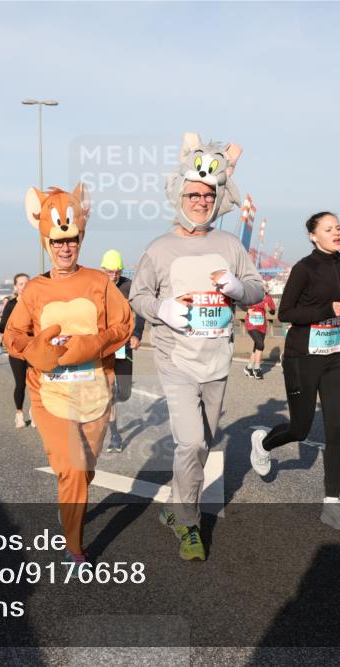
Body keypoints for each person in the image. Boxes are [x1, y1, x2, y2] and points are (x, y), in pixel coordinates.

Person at [130, 133, 264, 560]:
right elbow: (138, 296)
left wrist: (238, 287)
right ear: (179, 195)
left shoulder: (229, 245)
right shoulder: (160, 248)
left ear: (217, 197)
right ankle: (189, 523)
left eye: (208, 194)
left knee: (203, 443)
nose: (201, 201)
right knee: (190, 443)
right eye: (193, 193)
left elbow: (258, 290)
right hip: (176, 360)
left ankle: (175, 508)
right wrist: (164, 309)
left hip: (217, 360)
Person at [3, 183, 133, 569]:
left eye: (72, 240)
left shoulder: (99, 283)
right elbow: (13, 335)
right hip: (49, 396)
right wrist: (33, 351)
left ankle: (70, 499)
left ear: (80, 237)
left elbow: (123, 326)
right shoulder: (35, 290)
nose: (65, 247)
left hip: (94, 392)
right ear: (46, 240)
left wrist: (91, 346)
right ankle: (74, 547)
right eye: (58, 241)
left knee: (86, 470)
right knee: (73, 468)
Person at [248, 212, 340, 530]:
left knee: (335, 430)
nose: (336, 232)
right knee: (300, 429)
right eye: (328, 229)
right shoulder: (304, 268)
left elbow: (335, 307)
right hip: (301, 357)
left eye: (339, 227)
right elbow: (286, 312)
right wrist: (326, 310)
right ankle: (263, 444)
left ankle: (331, 503)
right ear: (313, 236)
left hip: (334, 357)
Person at [99, 249, 146, 453]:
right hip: (104, 347)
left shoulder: (129, 286)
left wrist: (137, 334)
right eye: (110, 272)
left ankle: (109, 402)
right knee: (108, 392)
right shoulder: (96, 287)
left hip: (124, 345)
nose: (114, 276)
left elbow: (141, 312)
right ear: (103, 270)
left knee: (124, 393)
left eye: (117, 272)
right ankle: (115, 435)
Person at [0, 274, 32, 428]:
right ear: (15, 287)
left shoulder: (36, 303)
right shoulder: (11, 305)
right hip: (16, 350)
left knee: (36, 383)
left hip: (33, 348)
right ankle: (19, 414)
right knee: (21, 384)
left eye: (26, 283)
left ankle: (35, 412)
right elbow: (2, 325)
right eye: (20, 283)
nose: (24, 286)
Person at [243, 292, 277, 379]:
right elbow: (240, 301)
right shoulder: (251, 294)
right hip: (251, 323)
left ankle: (249, 367)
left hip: (262, 325)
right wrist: (247, 310)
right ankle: (257, 369)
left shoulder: (268, 297)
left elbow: (273, 312)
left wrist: (268, 309)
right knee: (260, 345)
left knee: (257, 345)